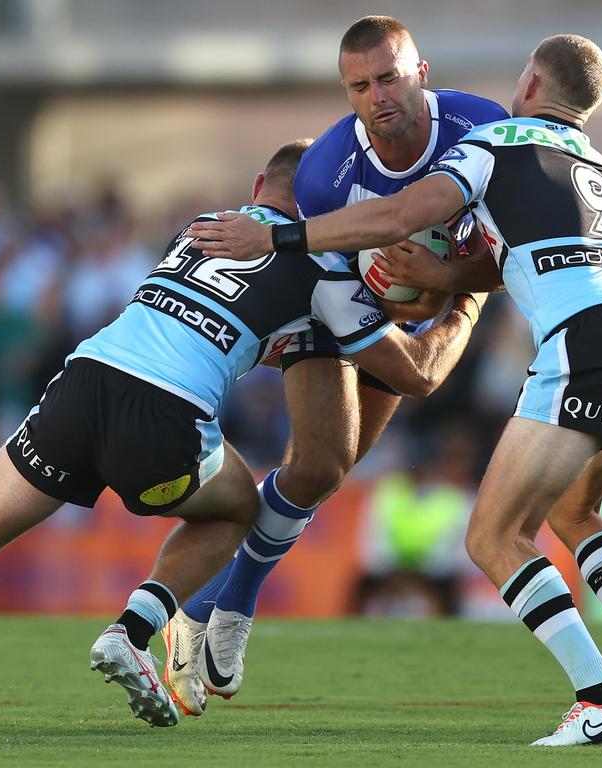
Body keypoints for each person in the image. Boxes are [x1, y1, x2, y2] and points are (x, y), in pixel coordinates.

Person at [0, 140, 485, 734]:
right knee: (236, 509)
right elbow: (412, 374)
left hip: (79, 385)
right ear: (321, 205)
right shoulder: (323, 267)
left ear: (258, 185)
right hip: (160, 416)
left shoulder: (198, 230)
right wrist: (456, 299)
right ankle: (136, 626)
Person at [188, 35, 602, 746]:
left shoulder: (493, 136)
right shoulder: (595, 161)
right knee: (578, 513)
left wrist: (283, 239)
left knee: (491, 537)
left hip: (585, 340)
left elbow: (395, 218)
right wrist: (445, 278)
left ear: (532, 84)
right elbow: (518, 256)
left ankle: (599, 698)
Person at [162, 14, 507, 716]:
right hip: (338, 303)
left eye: (387, 77)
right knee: (319, 461)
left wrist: (447, 280)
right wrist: (403, 292)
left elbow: (511, 253)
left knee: (329, 471)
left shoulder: (481, 125)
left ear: (420, 73)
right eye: (359, 86)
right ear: (347, 93)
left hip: (438, 294)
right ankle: (219, 609)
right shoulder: (327, 171)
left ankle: (214, 605)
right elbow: (333, 275)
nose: (377, 96)